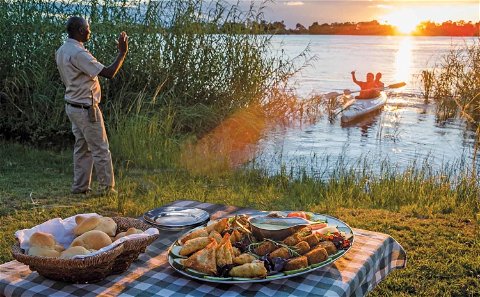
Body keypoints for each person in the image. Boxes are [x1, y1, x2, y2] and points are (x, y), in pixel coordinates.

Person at [56, 16, 128, 195]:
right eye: (88, 28)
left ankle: (80, 188)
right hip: (86, 109)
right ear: (80, 30)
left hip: (72, 105)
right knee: (101, 149)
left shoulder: (63, 49)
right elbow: (109, 73)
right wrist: (122, 53)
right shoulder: (79, 54)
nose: (90, 31)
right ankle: (107, 189)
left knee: (82, 148)